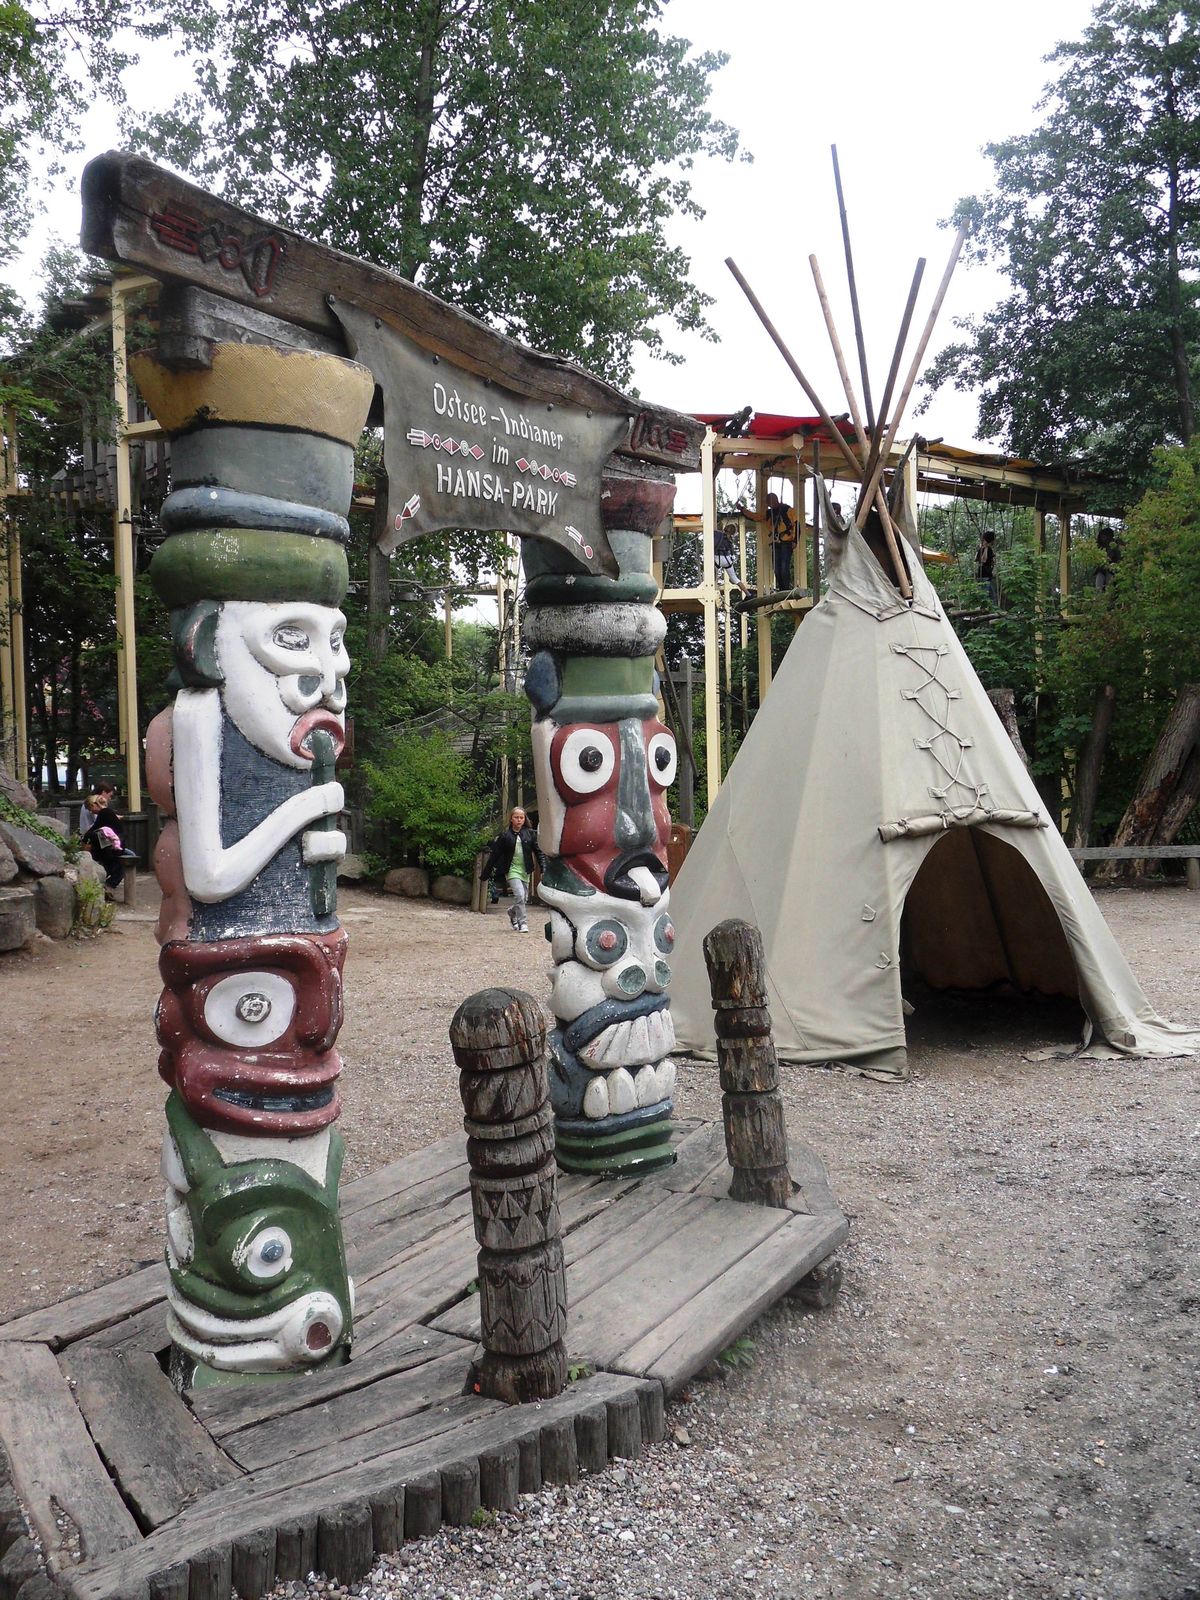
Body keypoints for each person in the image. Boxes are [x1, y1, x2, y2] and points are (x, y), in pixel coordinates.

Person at [481, 805, 544, 933]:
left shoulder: (530, 834)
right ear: (511, 819)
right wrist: (486, 873)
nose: (519, 820)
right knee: (520, 895)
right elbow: (494, 856)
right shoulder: (505, 836)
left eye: (521, 817)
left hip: (525, 870)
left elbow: (538, 852)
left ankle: (512, 912)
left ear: (524, 819)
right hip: (512, 870)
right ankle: (523, 923)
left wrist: (544, 867)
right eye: (516, 817)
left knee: (523, 899)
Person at [737, 492, 796, 592]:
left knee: (784, 567)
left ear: (774, 500)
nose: (768, 505)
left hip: (786, 542)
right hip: (776, 542)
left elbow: (797, 524)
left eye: (769, 502)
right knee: (777, 569)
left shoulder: (787, 510)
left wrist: (795, 540)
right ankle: (782, 589)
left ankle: (786, 589)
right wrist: (742, 509)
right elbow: (755, 517)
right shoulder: (769, 513)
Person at [83, 792, 135, 895]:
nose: (91, 811)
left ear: (94, 805)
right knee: (114, 866)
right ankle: (106, 886)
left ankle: (107, 885)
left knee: (115, 867)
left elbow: (93, 830)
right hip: (116, 845)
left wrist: (85, 840)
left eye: (90, 808)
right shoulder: (108, 813)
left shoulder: (104, 813)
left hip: (113, 847)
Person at [974, 528, 998, 605]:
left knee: (993, 597)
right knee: (985, 597)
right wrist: (986, 547)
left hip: (987, 576)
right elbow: (983, 560)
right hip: (984, 576)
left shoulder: (987, 549)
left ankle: (992, 610)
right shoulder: (985, 549)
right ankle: (984, 610)